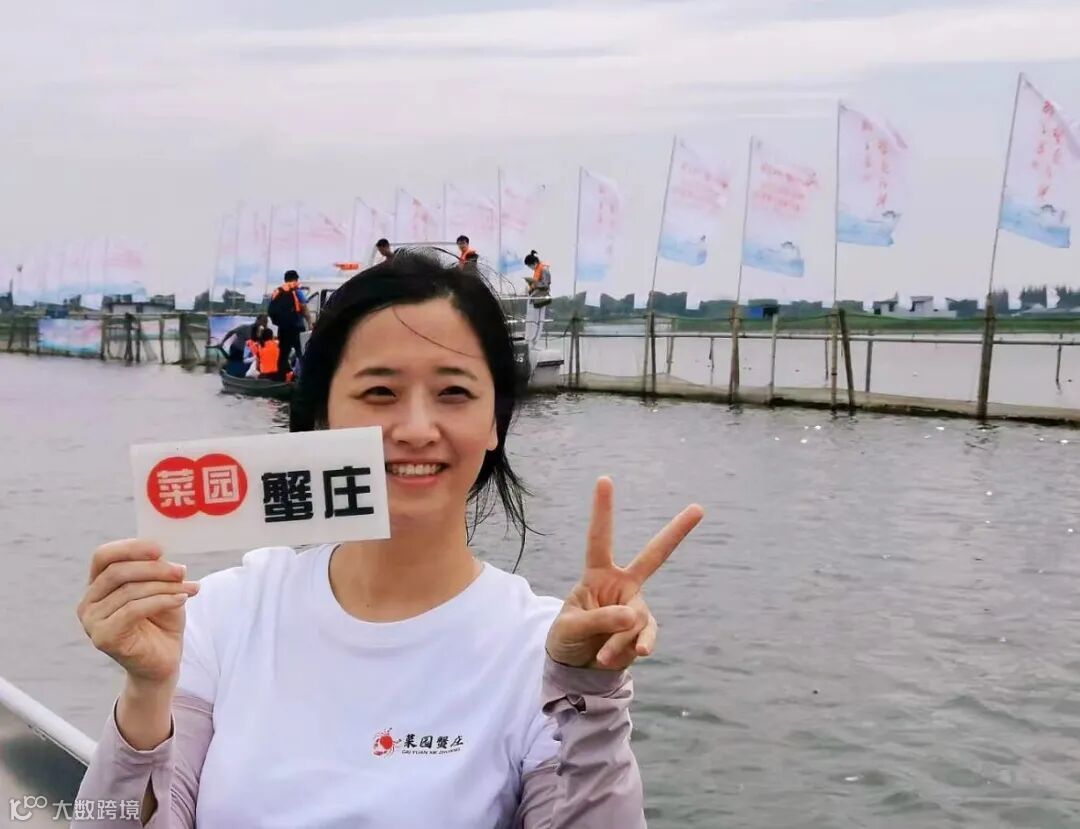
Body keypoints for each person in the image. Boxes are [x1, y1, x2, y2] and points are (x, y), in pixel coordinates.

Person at [72, 248, 703, 828]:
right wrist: (146, 692)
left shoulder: (542, 653)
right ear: (323, 415)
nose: (417, 428)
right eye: (380, 392)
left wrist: (588, 697)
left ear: (494, 422)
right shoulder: (223, 614)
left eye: (454, 392)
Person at [268, 270, 308, 378]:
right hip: (297, 327)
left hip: (283, 328)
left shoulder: (278, 291)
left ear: (285, 279)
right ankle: (305, 378)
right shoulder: (296, 290)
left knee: (283, 354)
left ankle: (281, 378)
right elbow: (304, 306)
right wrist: (310, 322)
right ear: (296, 279)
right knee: (301, 352)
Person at [522, 250, 552, 345]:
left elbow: (545, 284)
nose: (530, 268)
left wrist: (534, 283)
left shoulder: (544, 270)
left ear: (534, 263)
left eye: (530, 266)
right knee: (532, 319)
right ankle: (529, 339)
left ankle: (534, 340)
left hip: (541, 297)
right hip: (534, 297)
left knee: (538, 320)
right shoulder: (537, 270)